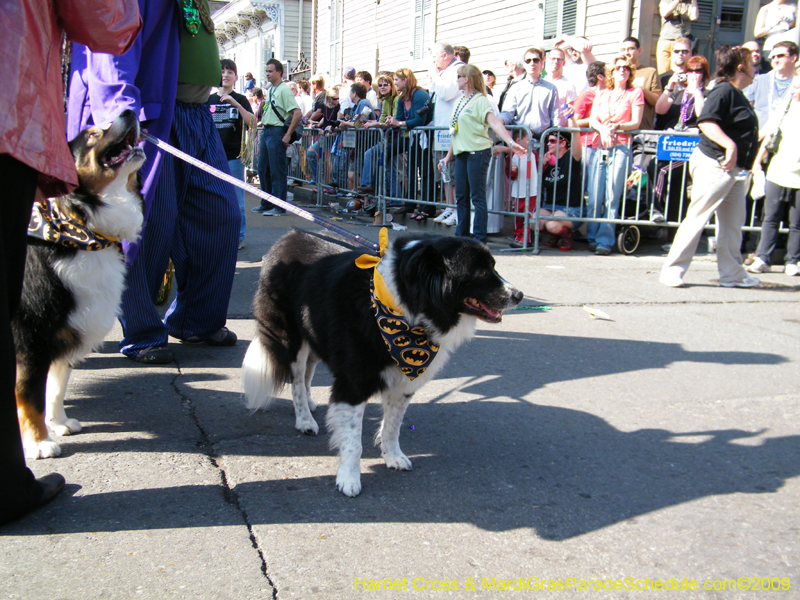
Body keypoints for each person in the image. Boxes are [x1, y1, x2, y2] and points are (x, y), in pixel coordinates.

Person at [0, 0, 140, 525]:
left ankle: (48, 413)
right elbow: (109, 20)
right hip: (8, 113)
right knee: (27, 329)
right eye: (95, 139)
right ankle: (23, 442)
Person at [659, 45, 760, 288]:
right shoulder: (723, 90)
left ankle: (733, 274)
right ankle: (672, 271)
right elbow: (706, 121)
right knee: (697, 218)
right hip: (715, 165)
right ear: (740, 68)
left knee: (732, 226)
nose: (756, 67)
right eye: (752, 63)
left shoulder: (737, 93)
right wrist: (730, 146)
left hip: (734, 171)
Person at [441, 64, 524, 244]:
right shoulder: (459, 101)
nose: (456, 80)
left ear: (467, 79)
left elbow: (494, 123)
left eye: (459, 76)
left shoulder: (481, 101)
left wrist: (510, 142)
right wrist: (448, 157)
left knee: (477, 197)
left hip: (478, 153)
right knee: (461, 196)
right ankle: (461, 236)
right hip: (462, 154)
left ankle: (479, 238)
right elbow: (455, 132)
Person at [587, 56, 645, 255]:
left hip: (620, 146)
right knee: (594, 195)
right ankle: (592, 236)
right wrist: (603, 129)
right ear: (613, 71)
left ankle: (605, 240)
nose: (622, 70)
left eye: (626, 68)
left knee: (612, 195)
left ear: (630, 72)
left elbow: (636, 122)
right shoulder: (602, 93)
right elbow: (593, 119)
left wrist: (617, 127)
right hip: (599, 145)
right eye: (618, 67)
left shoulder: (635, 93)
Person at [747, 80, 800, 277]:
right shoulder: (787, 108)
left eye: (798, 87)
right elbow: (769, 134)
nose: (795, 91)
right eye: (794, 86)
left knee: (797, 222)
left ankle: (793, 260)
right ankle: (762, 258)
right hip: (778, 171)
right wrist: (757, 161)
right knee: (770, 217)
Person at [652, 55, 710, 223]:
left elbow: (703, 115)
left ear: (704, 74)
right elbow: (660, 109)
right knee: (656, 169)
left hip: (692, 148)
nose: (693, 74)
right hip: (673, 145)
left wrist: (697, 90)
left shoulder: (707, 93)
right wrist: (669, 87)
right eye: (690, 71)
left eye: (697, 71)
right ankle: (666, 223)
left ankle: (656, 210)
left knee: (663, 170)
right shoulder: (678, 92)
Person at [209, 59, 253, 250]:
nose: (225, 75)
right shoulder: (208, 99)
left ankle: (238, 236)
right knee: (211, 199)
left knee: (237, 200)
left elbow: (252, 122)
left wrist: (235, 103)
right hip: (210, 156)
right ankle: (215, 234)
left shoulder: (241, 99)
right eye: (222, 71)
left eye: (230, 71)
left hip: (234, 157)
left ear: (236, 77)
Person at [385, 68, 434, 219]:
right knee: (411, 170)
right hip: (412, 136)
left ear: (405, 80)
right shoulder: (401, 98)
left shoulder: (419, 95)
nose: (395, 83)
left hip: (425, 136)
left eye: (397, 80)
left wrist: (399, 123)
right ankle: (409, 203)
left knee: (425, 172)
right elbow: (399, 118)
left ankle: (427, 207)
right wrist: (392, 121)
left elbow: (419, 120)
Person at [256, 58, 302, 216]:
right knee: (263, 169)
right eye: (266, 71)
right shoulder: (270, 90)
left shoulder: (284, 90)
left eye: (270, 71)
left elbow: (297, 112)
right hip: (267, 130)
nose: (267, 74)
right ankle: (267, 202)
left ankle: (279, 205)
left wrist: (288, 134)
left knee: (277, 170)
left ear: (279, 72)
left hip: (276, 131)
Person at [429, 42, 465, 226]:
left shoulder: (457, 69)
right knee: (444, 171)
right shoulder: (444, 73)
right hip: (441, 131)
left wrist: (436, 77)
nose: (433, 61)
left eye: (435, 56)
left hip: (452, 131)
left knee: (453, 171)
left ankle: (457, 209)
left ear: (445, 55)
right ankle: (449, 207)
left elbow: (446, 93)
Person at [499, 47, 559, 143]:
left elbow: (555, 118)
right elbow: (507, 113)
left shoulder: (551, 89)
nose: (532, 63)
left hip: (542, 141)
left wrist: (554, 139)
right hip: (520, 141)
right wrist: (499, 121)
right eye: (528, 60)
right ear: (524, 64)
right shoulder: (515, 88)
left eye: (536, 60)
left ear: (541, 63)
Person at [539, 124, 584, 251]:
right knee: (533, 222)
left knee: (551, 224)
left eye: (552, 141)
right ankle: (556, 235)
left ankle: (567, 236)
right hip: (551, 206)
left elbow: (576, 139)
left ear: (563, 143)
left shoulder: (571, 157)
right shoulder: (548, 161)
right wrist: (542, 165)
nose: (549, 144)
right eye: (548, 141)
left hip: (572, 208)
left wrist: (572, 119)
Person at [744, 41, 798, 138]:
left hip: (786, 140)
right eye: (773, 56)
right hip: (758, 138)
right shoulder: (758, 80)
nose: (776, 60)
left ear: (793, 57)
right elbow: (746, 110)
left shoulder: (797, 84)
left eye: (780, 56)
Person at [494, 128, 538, 245]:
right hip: (518, 192)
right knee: (518, 217)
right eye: (528, 139)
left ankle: (526, 239)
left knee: (528, 216)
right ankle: (518, 236)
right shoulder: (511, 156)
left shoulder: (534, 154)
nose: (531, 142)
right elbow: (510, 175)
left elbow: (539, 170)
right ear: (519, 140)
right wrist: (514, 171)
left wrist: (545, 162)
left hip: (532, 192)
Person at [573, 61, 607, 204]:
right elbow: (574, 121)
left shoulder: (607, 95)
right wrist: (594, 120)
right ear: (600, 77)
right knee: (585, 183)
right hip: (586, 145)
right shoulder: (585, 96)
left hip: (601, 144)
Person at [358, 75, 399, 195]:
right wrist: (367, 122)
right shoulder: (385, 101)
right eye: (380, 85)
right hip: (388, 137)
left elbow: (392, 120)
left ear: (391, 85)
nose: (382, 87)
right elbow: (380, 120)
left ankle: (368, 185)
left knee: (372, 156)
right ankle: (392, 199)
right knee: (389, 169)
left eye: (385, 84)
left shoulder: (396, 99)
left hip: (396, 137)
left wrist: (372, 124)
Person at [620, 37, 662, 132]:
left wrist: (641, 89)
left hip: (642, 130)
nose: (626, 52)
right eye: (623, 49)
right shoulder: (616, 73)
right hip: (620, 130)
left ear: (639, 50)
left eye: (631, 49)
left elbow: (658, 102)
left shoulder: (649, 72)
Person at [306, 86, 340, 186]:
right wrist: (318, 125)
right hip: (325, 135)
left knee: (327, 159)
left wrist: (331, 128)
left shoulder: (338, 107)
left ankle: (323, 181)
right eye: (334, 98)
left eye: (338, 98)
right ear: (329, 98)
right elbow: (325, 118)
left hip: (332, 135)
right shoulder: (325, 106)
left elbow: (339, 120)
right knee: (312, 154)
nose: (336, 100)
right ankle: (318, 178)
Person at [657, 0, 699, 74]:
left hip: (682, 42)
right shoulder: (666, 1)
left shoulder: (689, 3)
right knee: (663, 72)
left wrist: (694, 1)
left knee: (681, 70)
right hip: (666, 41)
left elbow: (694, 17)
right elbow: (664, 13)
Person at [545, 47, 578, 124]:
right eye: (553, 58)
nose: (556, 62)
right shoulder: (540, 83)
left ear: (564, 63)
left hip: (559, 132)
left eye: (559, 59)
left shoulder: (569, 85)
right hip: (541, 132)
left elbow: (570, 111)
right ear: (547, 60)